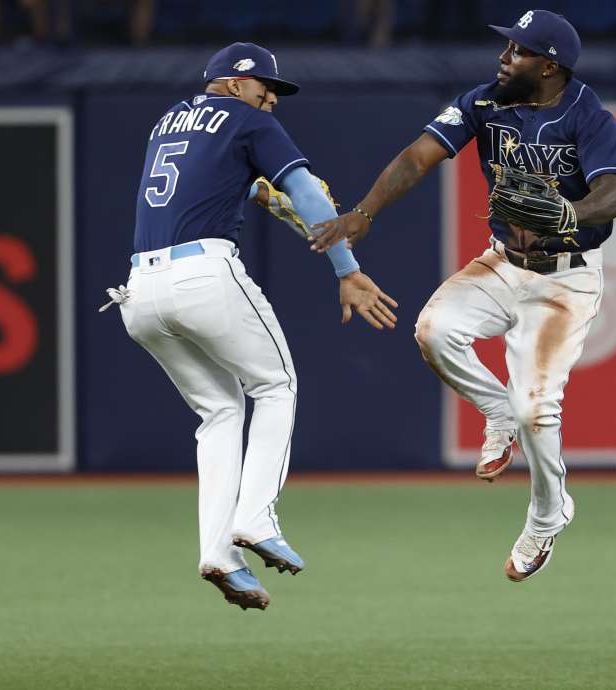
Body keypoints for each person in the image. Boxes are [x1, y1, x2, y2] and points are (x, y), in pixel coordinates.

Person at [311, 10, 616, 582]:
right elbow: (417, 156)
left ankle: (547, 513)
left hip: (565, 277)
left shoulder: (587, 113)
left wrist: (568, 213)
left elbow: (611, 194)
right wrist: (363, 213)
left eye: (518, 50)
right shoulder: (482, 103)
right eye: (506, 46)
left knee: (538, 410)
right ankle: (493, 408)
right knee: (434, 331)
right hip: (502, 263)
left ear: (550, 65)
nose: (504, 57)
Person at [103, 42, 398, 611]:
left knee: (219, 411)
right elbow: (306, 193)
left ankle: (219, 554)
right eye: (264, 85)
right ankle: (258, 518)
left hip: (139, 291)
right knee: (276, 386)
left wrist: (261, 189)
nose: (271, 98)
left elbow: (228, 185)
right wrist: (348, 269)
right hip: (203, 275)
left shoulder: (167, 122)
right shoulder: (243, 118)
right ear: (234, 83)